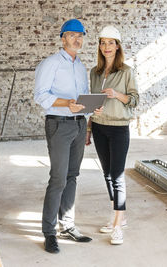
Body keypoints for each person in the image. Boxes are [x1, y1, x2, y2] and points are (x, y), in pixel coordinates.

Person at [34, 18, 103, 254]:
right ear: (63, 38)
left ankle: (68, 226)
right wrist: (68, 104)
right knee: (58, 178)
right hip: (59, 125)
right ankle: (49, 232)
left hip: (78, 125)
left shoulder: (80, 65)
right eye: (72, 35)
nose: (77, 39)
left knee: (73, 175)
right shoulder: (51, 63)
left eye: (81, 35)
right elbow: (41, 96)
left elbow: (81, 98)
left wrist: (92, 107)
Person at [86, 25, 139, 245]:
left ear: (118, 46)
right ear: (99, 46)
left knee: (117, 175)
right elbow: (91, 101)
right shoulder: (94, 73)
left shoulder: (126, 71)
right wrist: (89, 126)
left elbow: (134, 100)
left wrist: (117, 95)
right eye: (103, 42)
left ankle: (118, 226)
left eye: (111, 43)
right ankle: (119, 215)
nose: (106, 47)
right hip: (99, 127)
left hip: (118, 128)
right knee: (107, 174)